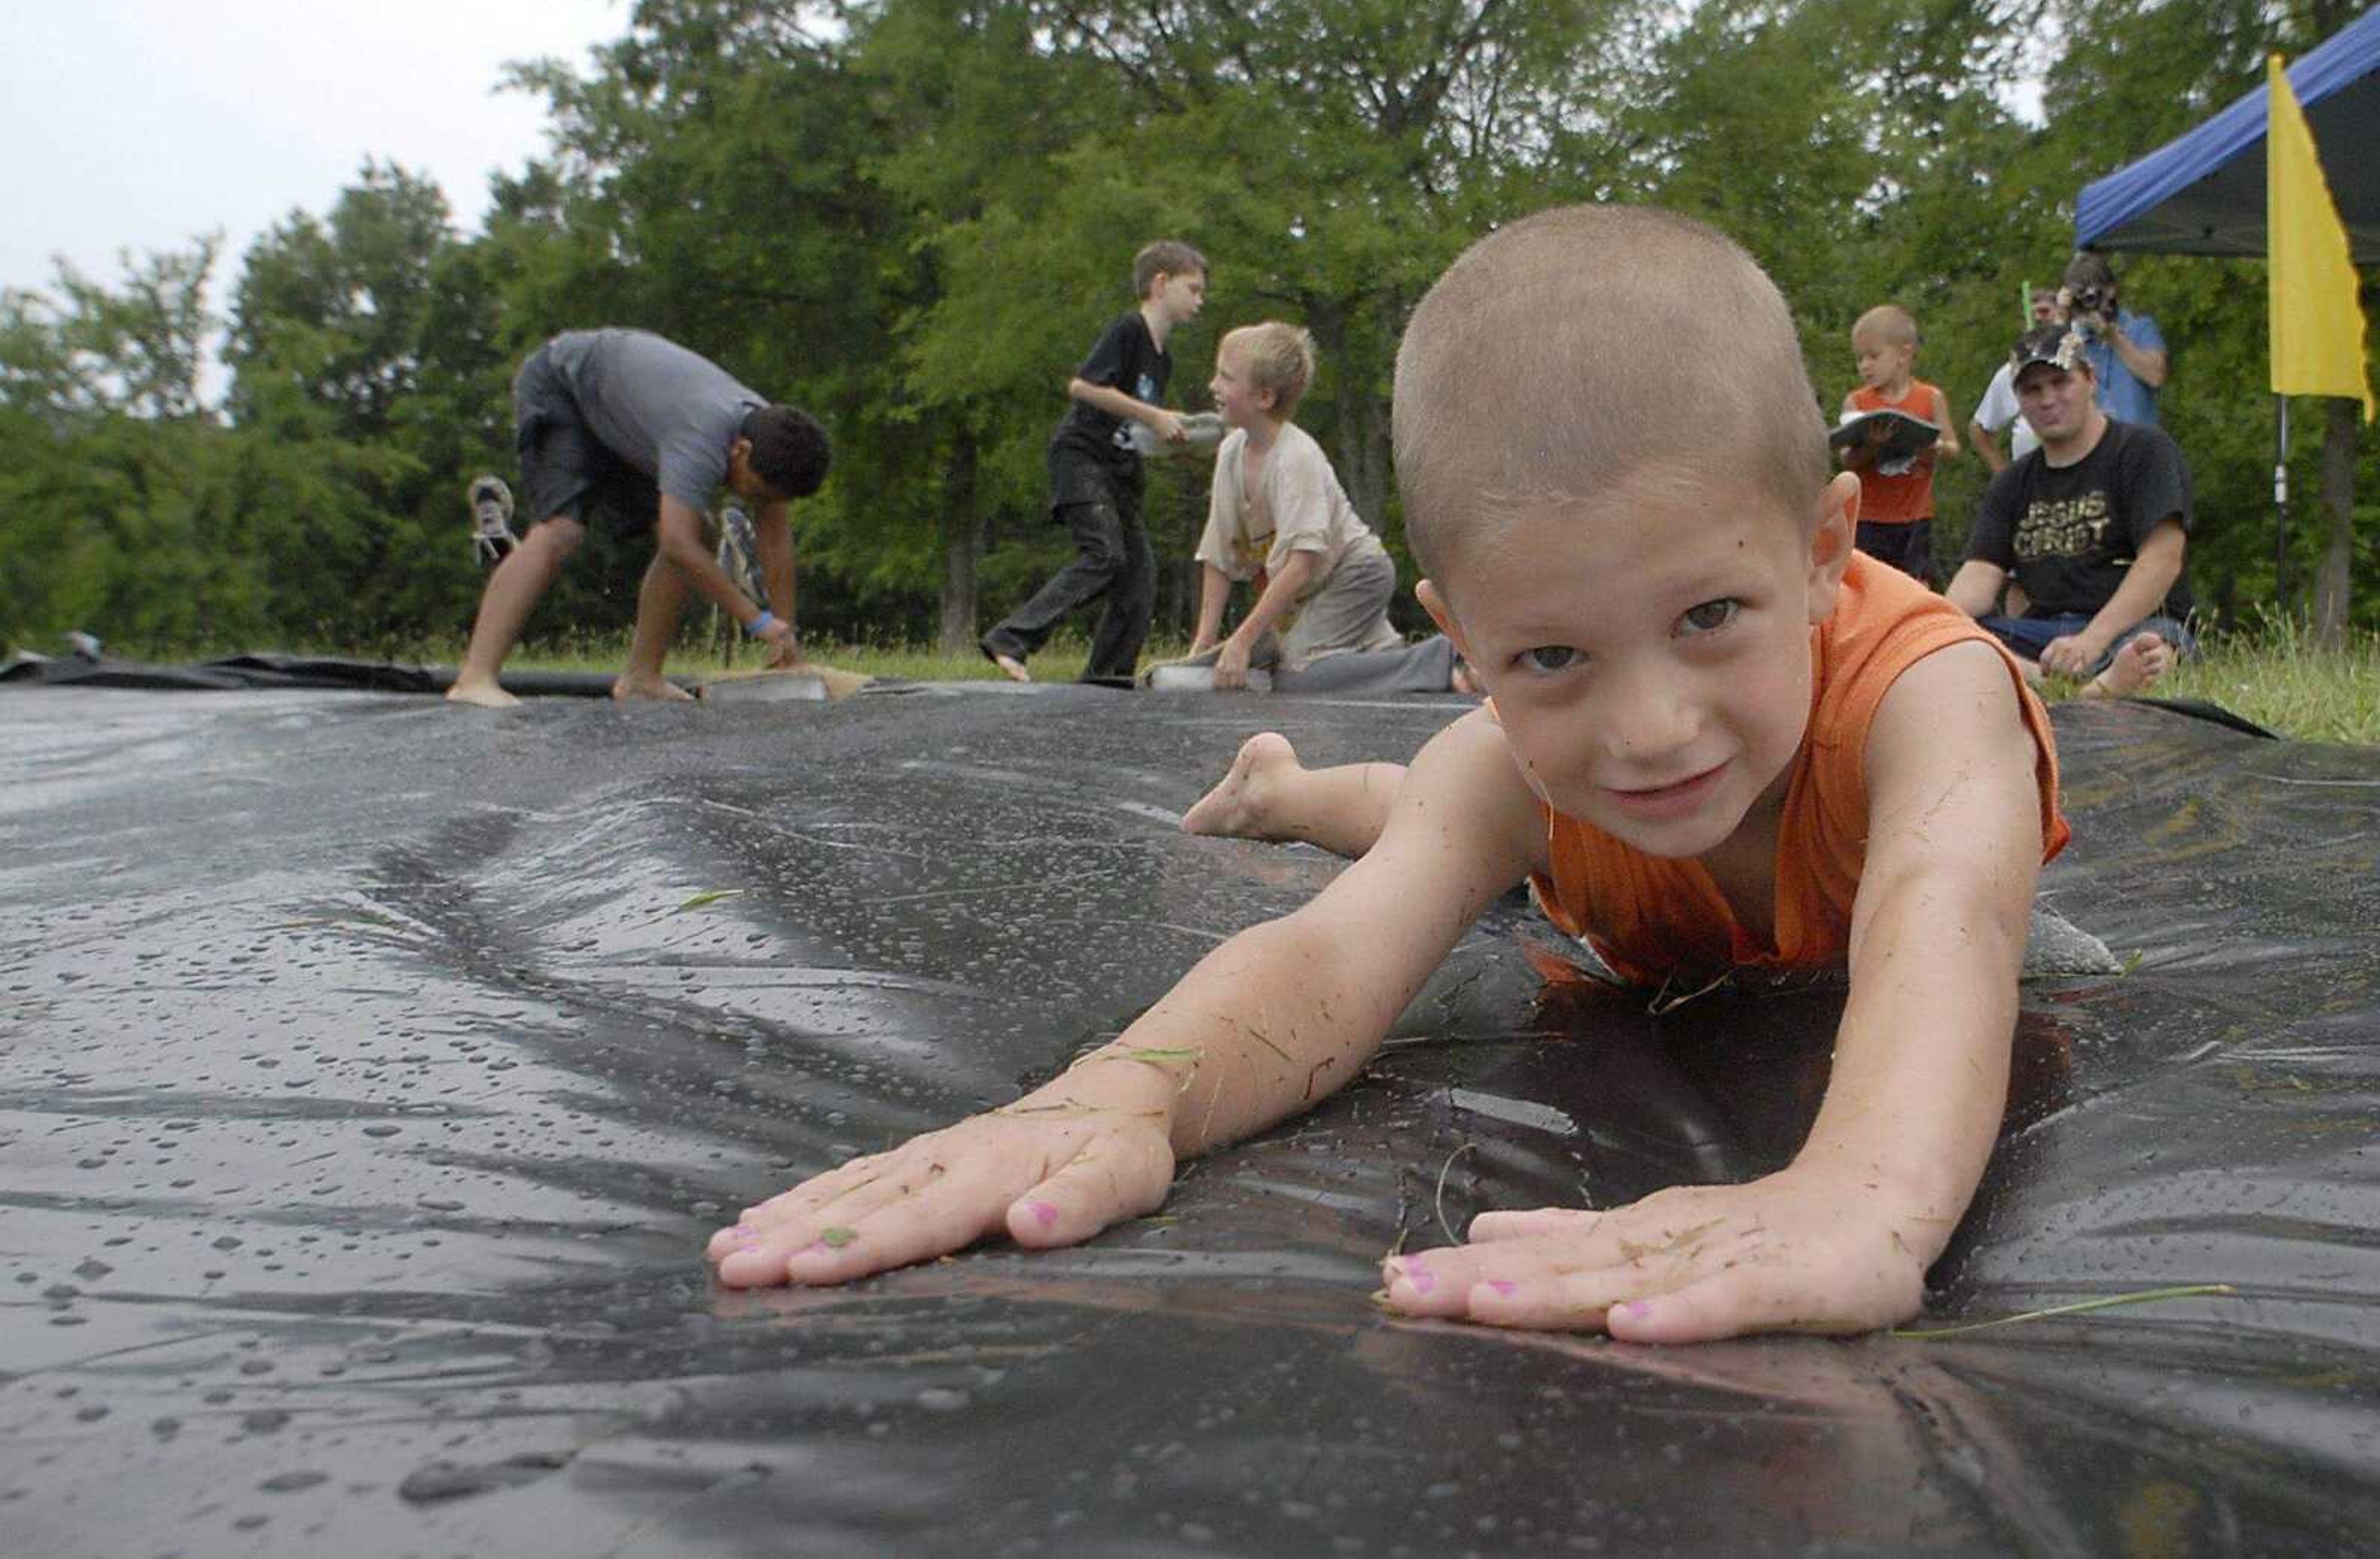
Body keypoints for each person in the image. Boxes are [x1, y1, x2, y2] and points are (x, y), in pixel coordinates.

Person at [709, 205, 2069, 1345]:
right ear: (1462, 636)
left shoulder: (1926, 693)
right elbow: (1329, 956)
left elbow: (1946, 912)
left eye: (1711, 616)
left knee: (1486, 788)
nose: (1651, 723)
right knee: (1455, 802)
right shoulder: (1523, 753)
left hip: (1777, 880)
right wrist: (1119, 1089)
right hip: (1571, 843)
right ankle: (1291, 790)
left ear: (1828, 547)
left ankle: (1312, 781)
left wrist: (1862, 1190)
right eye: (1549, 651)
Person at [444, 328, 830, 709]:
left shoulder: (774, 440)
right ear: (740, 451)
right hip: (563, 385)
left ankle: (642, 678)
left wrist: (787, 637)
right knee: (562, 531)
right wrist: (757, 621)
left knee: (700, 531)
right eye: (757, 493)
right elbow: (677, 546)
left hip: (620, 417)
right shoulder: (702, 436)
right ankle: (474, 678)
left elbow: (776, 541)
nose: (754, 501)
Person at [979, 241, 1208, 685]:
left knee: (1140, 580)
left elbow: (1135, 427)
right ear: (1161, 284)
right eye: (1193, 289)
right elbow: (1084, 387)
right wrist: (1154, 415)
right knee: (1104, 554)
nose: (1200, 300)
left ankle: (1107, 677)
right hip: (1082, 457)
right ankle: (1010, 638)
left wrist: (1181, 438)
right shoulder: (1128, 330)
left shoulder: (1164, 360)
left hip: (1121, 469)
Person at [1946, 324, 2194, 699]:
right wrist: (1932, 620)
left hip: (2130, 626)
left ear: (2090, 380)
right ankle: (2072, 687)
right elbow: (1979, 574)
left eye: (2060, 382)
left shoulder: (2145, 451)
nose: (2048, 400)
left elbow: (2163, 560)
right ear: (2018, 400)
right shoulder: (2011, 483)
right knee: (1955, 639)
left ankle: (2071, 681)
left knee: (2154, 649)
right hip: (2042, 637)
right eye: (2033, 390)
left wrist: (2092, 641)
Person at [1151, 322, 1403, 689]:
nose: (1213, 386)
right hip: (1312, 590)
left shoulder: (1295, 458)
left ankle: (1440, 661)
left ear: (1264, 398)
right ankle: (1396, 662)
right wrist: (1203, 645)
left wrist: (1242, 641)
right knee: (1325, 662)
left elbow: (1301, 565)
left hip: (1356, 574)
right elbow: (1219, 558)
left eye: (1226, 377)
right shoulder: (1231, 452)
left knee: (1292, 672)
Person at [1834, 305, 1958, 585]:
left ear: (1904, 353)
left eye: (1873, 356)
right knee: (1871, 585)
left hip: (1916, 514)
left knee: (1917, 583)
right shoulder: (1858, 402)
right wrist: (1873, 446)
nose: (1865, 366)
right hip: (1871, 517)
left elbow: (1953, 447)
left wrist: (1933, 448)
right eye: (1860, 359)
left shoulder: (1930, 397)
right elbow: (1847, 460)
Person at [2058, 252, 2167, 427]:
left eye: (2092, 297)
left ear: (2111, 289)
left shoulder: (2139, 327)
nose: (2089, 305)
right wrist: (2061, 319)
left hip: (2139, 447)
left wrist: (2113, 337)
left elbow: (2155, 377)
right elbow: (2053, 386)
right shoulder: (2072, 341)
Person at [1968, 288, 2065, 474]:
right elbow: (1979, 429)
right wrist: (2005, 477)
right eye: (2032, 313)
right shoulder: (2011, 373)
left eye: (2044, 311)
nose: (2037, 318)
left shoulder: (2080, 362)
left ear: (2060, 314)